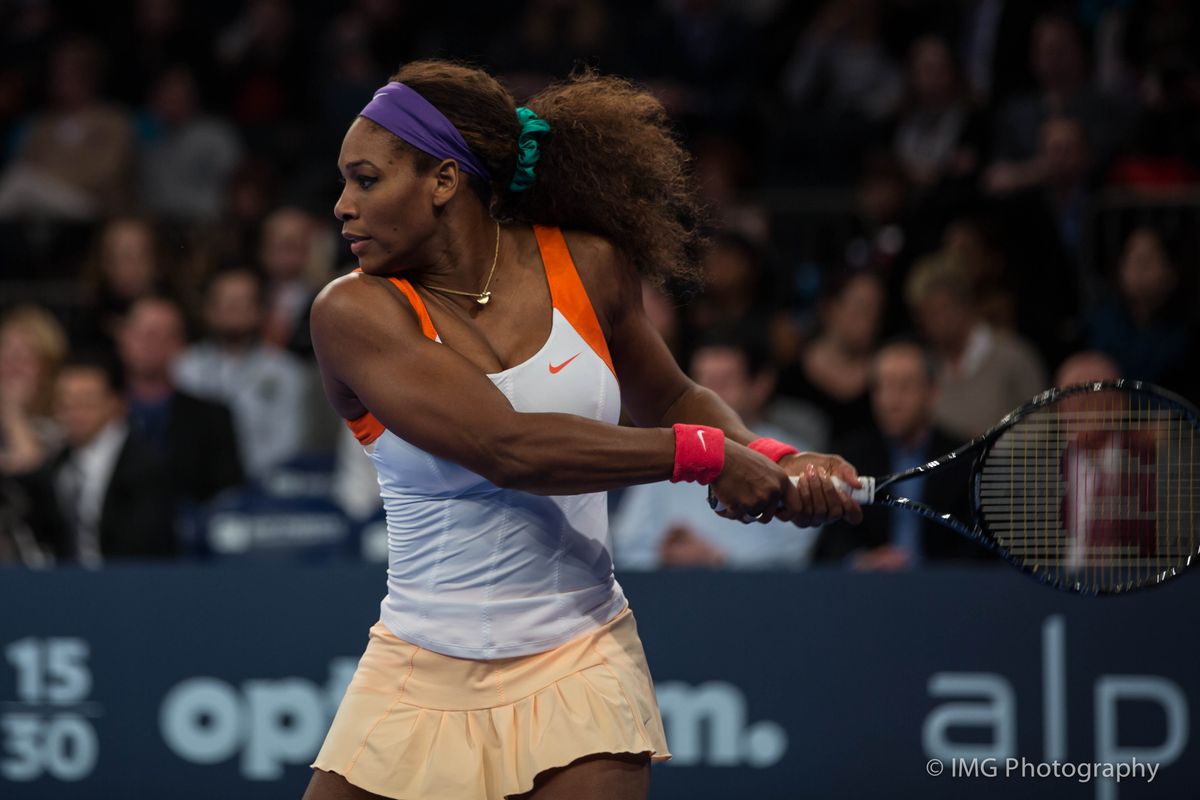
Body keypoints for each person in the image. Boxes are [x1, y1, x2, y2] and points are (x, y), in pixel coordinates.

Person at [304, 61, 862, 800]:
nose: (342, 205)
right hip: (414, 665)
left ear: (443, 180)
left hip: (580, 656)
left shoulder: (588, 266)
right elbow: (509, 448)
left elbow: (670, 395)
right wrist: (707, 457)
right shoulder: (352, 313)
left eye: (365, 179)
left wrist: (773, 457)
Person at [612, 333, 822, 570]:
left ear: (759, 386)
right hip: (671, 594)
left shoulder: (791, 457)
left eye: (724, 382)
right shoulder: (669, 450)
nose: (708, 395)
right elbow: (628, 547)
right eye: (700, 382)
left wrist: (717, 561)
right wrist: (663, 556)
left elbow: (796, 554)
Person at [814, 340, 992, 568]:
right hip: (871, 590)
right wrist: (862, 561)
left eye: (904, 386)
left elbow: (979, 547)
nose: (891, 401)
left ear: (932, 392)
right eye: (883, 387)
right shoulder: (849, 457)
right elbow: (831, 541)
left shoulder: (965, 458)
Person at [15, 353, 176, 564]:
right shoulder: (55, 466)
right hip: (62, 586)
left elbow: (148, 547)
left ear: (115, 403)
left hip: (128, 585)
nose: (73, 413)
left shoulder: (147, 467)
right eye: (65, 403)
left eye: (84, 402)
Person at [173, 267, 309, 480]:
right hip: (200, 489)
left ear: (260, 310)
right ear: (208, 310)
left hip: (265, 490)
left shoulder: (286, 371)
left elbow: (288, 445)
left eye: (243, 301)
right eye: (226, 301)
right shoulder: (186, 366)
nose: (234, 308)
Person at [115, 296, 244, 507]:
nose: (153, 345)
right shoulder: (98, 413)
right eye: (145, 334)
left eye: (166, 336)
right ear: (123, 338)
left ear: (181, 345)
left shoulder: (213, 418)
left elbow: (229, 497)